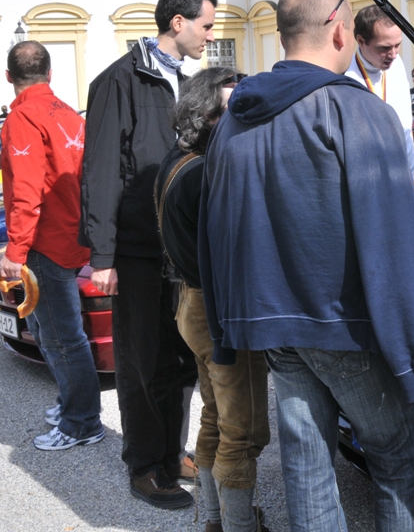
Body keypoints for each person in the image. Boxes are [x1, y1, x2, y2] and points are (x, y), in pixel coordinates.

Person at [198, 0, 414, 532]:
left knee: (308, 465)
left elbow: (213, 230)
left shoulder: (235, 119)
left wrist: (224, 329)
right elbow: (396, 243)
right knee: (397, 460)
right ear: (339, 31)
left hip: (274, 327)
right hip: (347, 328)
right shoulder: (355, 110)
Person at [80, 0, 215, 510]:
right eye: (206, 25)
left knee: (179, 358)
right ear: (178, 22)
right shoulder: (119, 80)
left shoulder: (188, 82)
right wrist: (103, 255)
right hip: (135, 252)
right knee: (140, 362)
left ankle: (171, 452)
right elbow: (100, 171)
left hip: (177, 250)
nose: (210, 35)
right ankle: (144, 465)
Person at [157, 67, 270, 532]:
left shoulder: (178, 160)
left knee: (216, 416)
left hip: (192, 304)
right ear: (205, 116)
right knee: (243, 429)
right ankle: (238, 526)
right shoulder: (207, 173)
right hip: (219, 311)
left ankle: (213, 518)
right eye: (232, 109)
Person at [0, 41, 104, 452]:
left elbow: (27, 193)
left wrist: (15, 251)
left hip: (47, 241)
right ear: (50, 73)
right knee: (48, 329)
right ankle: (71, 403)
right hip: (71, 233)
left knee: (61, 336)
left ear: (9, 76)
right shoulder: (67, 113)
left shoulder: (23, 116)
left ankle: (82, 422)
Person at [344, 3, 414, 172]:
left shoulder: (397, 64)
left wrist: (413, 176)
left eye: (397, 45)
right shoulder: (346, 76)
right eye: (384, 48)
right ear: (361, 41)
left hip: (404, 173)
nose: (393, 54)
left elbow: (406, 125)